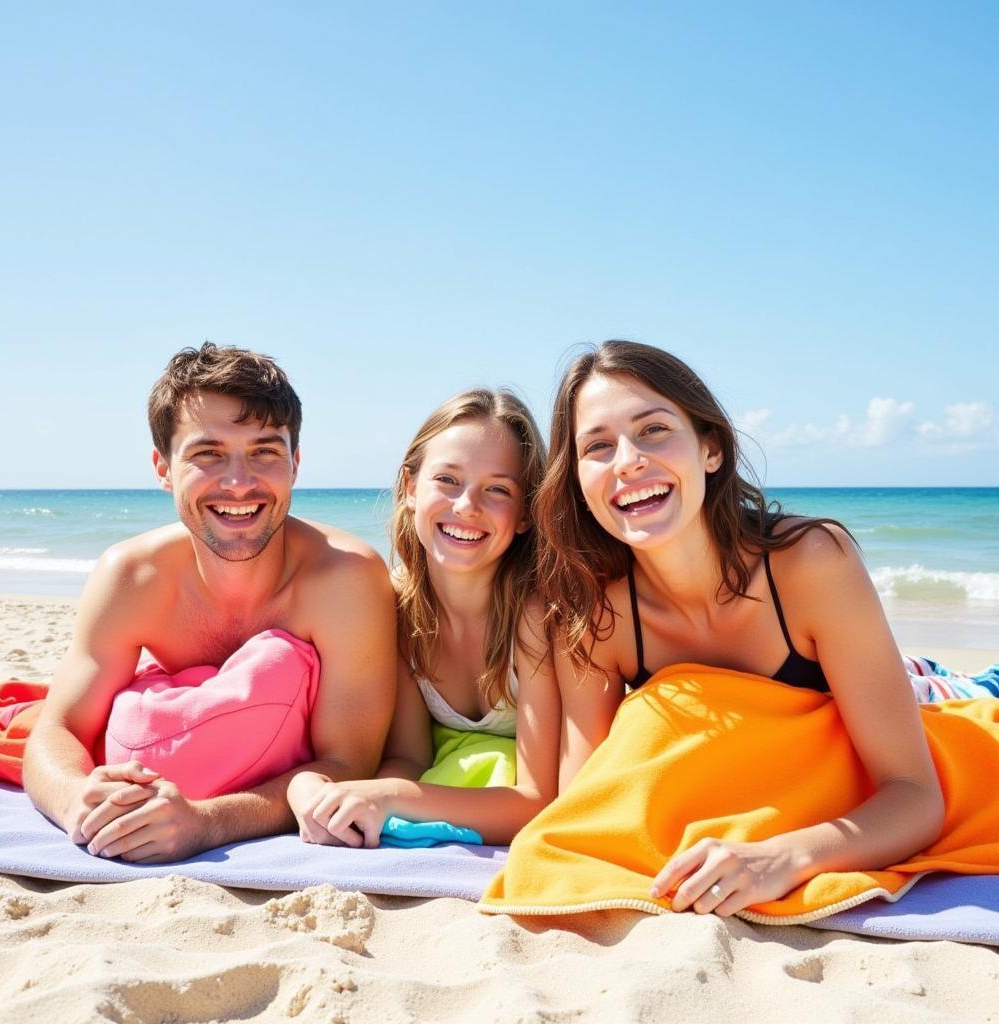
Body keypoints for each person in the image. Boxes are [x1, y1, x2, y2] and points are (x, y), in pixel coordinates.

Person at [534, 339, 948, 916]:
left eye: (653, 430)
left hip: (908, 702)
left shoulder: (810, 565)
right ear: (578, 479)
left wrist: (780, 858)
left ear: (710, 449)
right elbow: (584, 808)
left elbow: (917, 796)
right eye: (598, 446)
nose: (627, 460)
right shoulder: (595, 620)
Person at [24, 343, 397, 863]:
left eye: (265, 451)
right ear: (163, 467)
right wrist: (75, 801)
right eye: (208, 454)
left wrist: (207, 821)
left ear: (296, 462)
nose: (239, 483)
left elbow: (347, 762)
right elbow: (58, 727)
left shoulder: (345, 579)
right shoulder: (132, 577)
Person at [288, 389, 560, 847]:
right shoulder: (398, 608)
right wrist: (340, 794)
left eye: (497, 489)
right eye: (448, 479)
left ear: (525, 514)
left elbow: (540, 801)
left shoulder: (536, 614)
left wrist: (391, 795)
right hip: (462, 789)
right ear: (411, 487)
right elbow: (409, 759)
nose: (467, 505)